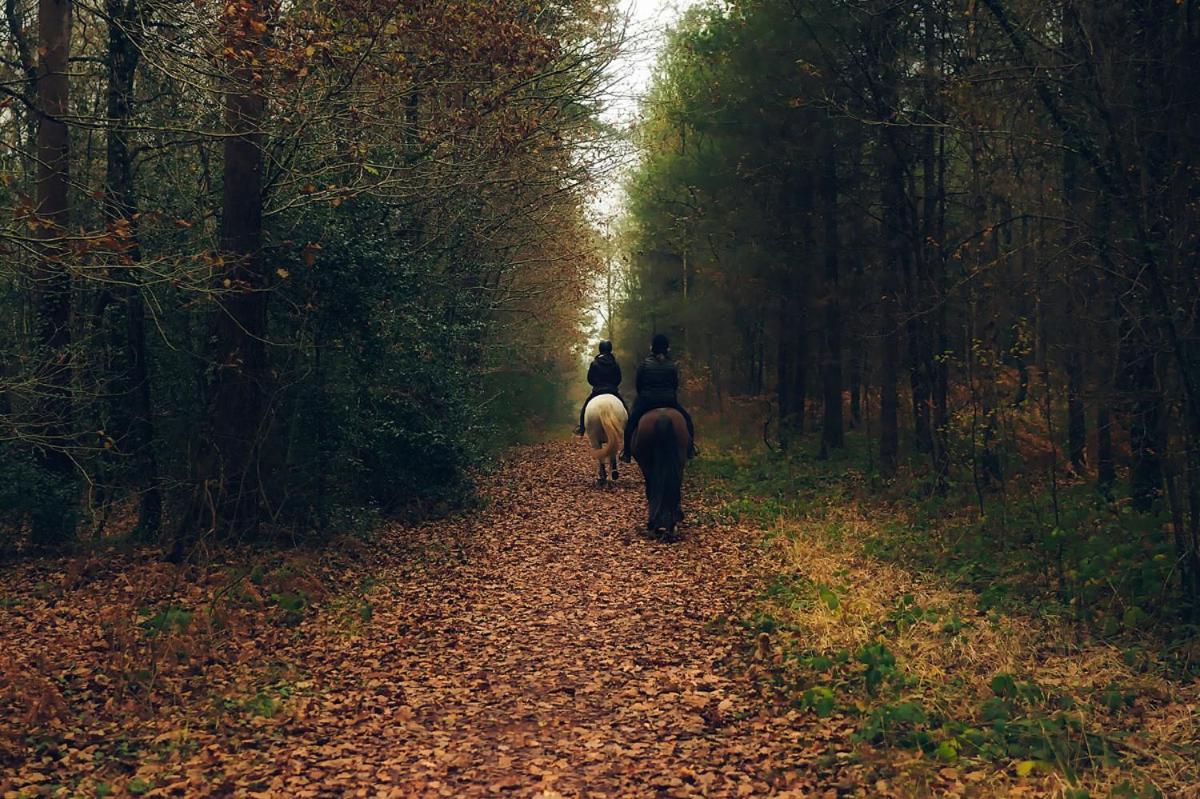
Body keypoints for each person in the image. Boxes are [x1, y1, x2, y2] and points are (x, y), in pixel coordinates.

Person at [620, 333, 697, 462]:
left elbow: (638, 385)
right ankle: (690, 449)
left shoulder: (644, 365)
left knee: (631, 424)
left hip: (647, 401)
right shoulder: (671, 365)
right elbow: (675, 385)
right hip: (669, 401)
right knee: (688, 421)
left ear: (652, 348)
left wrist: (643, 396)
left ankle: (626, 452)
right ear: (667, 348)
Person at [574, 340, 624, 436]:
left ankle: (581, 428)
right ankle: (629, 427)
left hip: (597, 391)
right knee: (625, 408)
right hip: (612, 391)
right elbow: (618, 379)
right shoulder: (615, 363)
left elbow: (590, 379)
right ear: (610, 349)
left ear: (600, 349)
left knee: (585, 407)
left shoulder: (595, 363)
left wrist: (597, 384)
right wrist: (612, 385)